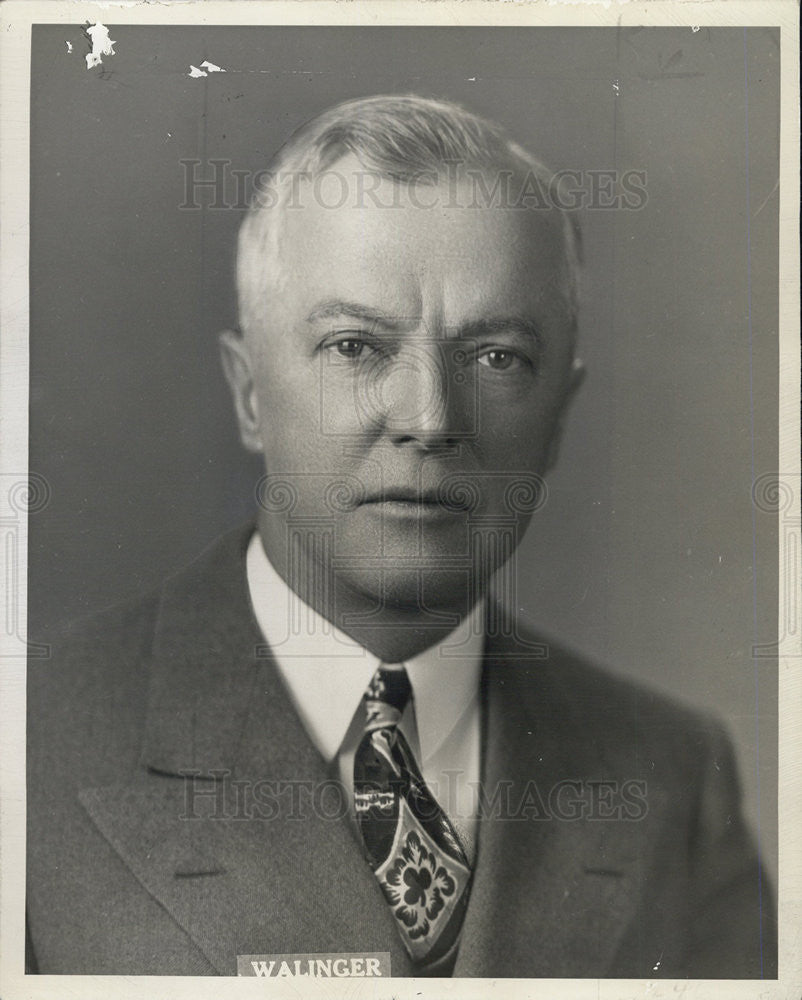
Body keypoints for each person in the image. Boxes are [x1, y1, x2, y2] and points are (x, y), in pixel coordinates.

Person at [26, 94, 776, 978]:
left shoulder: (672, 778)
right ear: (249, 393)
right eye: (355, 347)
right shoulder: (29, 742)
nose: (429, 419)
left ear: (560, 415)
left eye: (496, 356)